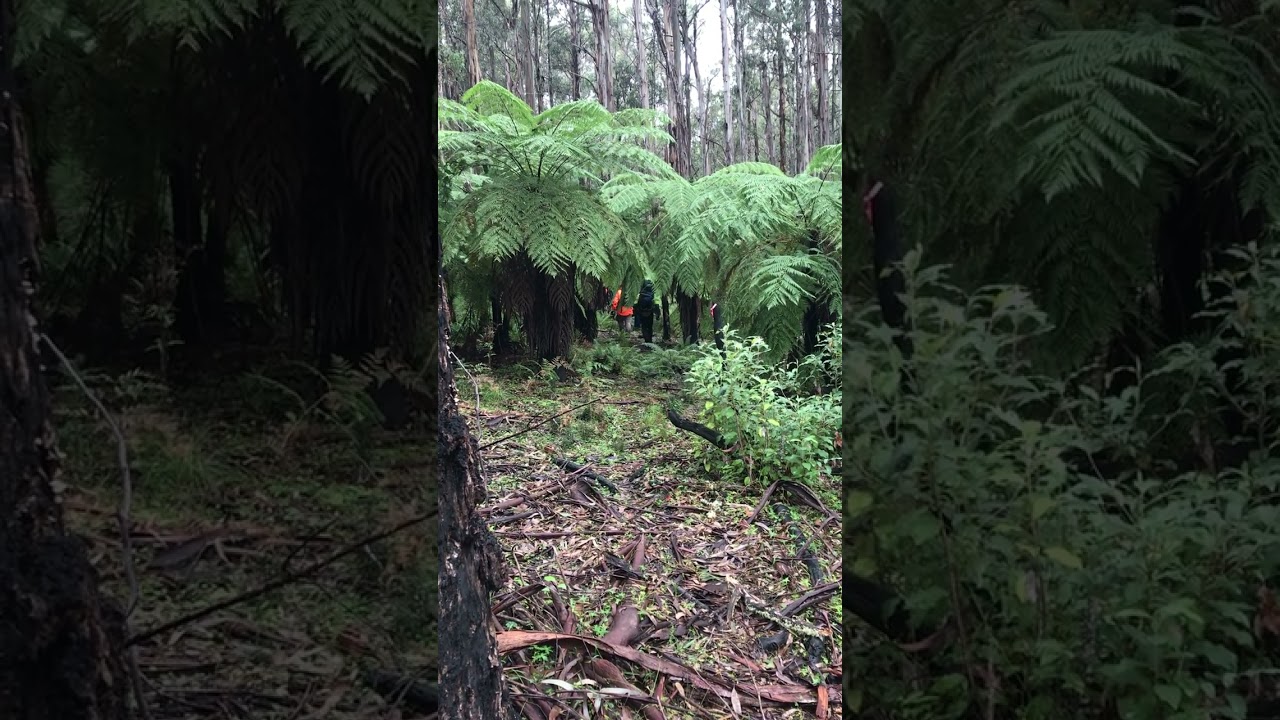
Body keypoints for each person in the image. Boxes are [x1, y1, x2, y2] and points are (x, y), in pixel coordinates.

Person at [634, 279, 656, 343]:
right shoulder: (652, 294)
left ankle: (646, 340)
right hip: (650, 312)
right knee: (650, 326)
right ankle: (650, 340)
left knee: (644, 326)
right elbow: (656, 302)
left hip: (642, 312)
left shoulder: (641, 294)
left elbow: (636, 303)